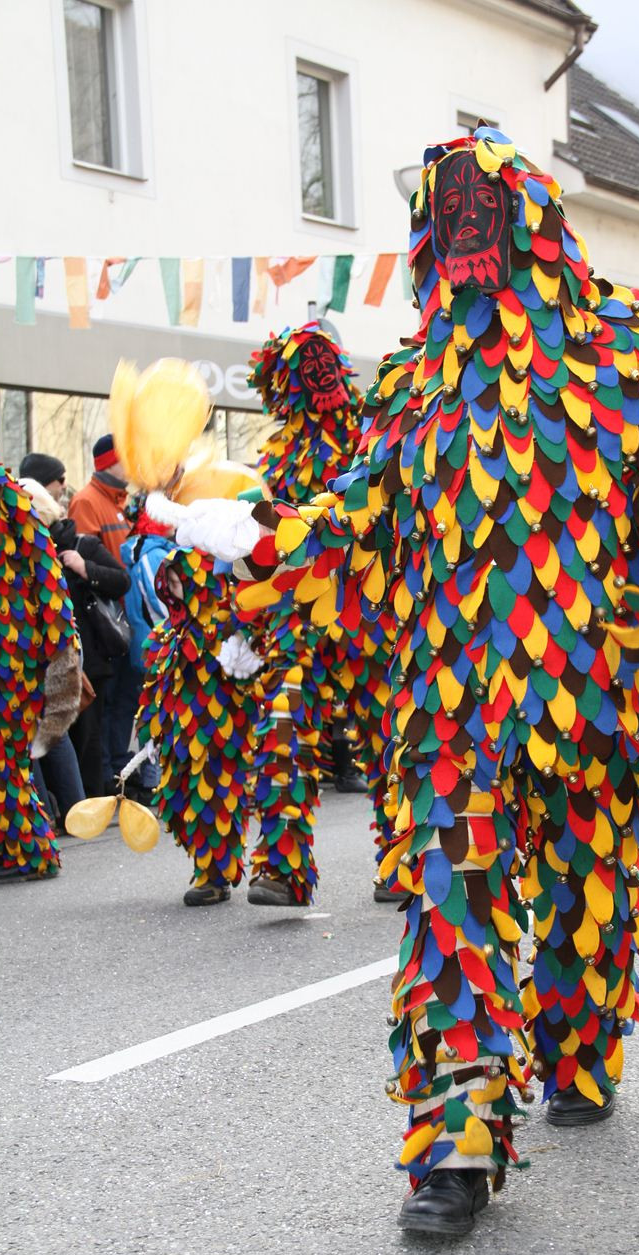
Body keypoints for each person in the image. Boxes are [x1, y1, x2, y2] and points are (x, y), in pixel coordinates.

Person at [156, 126, 639, 1235]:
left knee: (587, 883)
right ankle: (456, 1148)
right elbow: (362, 514)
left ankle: (579, 1052)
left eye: (485, 215)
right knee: (451, 910)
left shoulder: (631, 353)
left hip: (591, 692)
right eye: (448, 219)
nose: (468, 236)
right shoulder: (416, 379)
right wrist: (259, 534)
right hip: (448, 704)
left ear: (532, 226)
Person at [241, 322, 395, 908]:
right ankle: (280, 867)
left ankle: (403, 860)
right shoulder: (279, 454)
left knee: (386, 737)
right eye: (305, 365)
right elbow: (269, 535)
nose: (320, 371)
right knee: (282, 732)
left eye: (325, 359)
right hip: (296, 619)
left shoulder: (370, 429)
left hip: (364, 611)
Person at [134, 550, 263, 905]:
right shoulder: (168, 634)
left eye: (180, 581)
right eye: (170, 582)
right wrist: (148, 730)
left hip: (219, 736)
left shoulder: (223, 625)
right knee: (178, 803)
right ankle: (206, 868)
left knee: (215, 801)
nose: (174, 589)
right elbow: (154, 688)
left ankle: (215, 876)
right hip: (178, 740)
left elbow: (248, 672)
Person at [0, 459, 77, 883]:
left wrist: (62, 655)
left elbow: (49, 580)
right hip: (1, 652)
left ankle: (33, 852)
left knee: (1, 754)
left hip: (11, 656)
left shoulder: (8, 500)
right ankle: (1, 848)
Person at [68, 434, 138, 792]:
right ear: (111, 461)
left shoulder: (122, 502)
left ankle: (119, 770)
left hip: (128, 619)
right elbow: (84, 561)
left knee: (126, 699)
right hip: (107, 624)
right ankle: (110, 775)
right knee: (110, 703)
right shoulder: (86, 501)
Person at [18, 477, 86, 829]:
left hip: (37, 653)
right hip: (56, 647)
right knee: (52, 730)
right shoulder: (45, 544)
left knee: (38, 732)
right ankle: (73, 810)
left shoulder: (28, 547)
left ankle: (44, 815)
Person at [50, 500, 131, 797]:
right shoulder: (32, 551)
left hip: (90, 660)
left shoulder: (83, 546)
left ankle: (91, 801)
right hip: (56, 659)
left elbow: (122, 581)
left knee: (87, 736)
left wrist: (86, 568)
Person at [120, 500, 174, 806]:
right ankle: (154, 779)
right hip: (159, 642)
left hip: (147, 641)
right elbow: (163, 601)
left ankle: (152, 777)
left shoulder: (136, 549)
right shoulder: (152, 553)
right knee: (158, 711)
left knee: (151, 709)